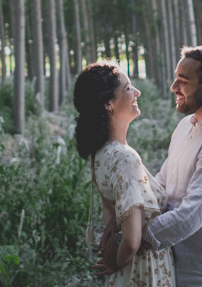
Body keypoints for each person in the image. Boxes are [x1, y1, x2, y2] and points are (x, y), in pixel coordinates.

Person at [99, 46, 202, 287]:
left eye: (183, 81)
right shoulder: (185, 127)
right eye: (176, 78)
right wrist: (125, 220)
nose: (173, 87)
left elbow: (189, 217)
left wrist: (129, 241)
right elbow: (160, 187)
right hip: (175, 270)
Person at [73, 62, 175, 287]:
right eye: (128, 87)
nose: (137, 92)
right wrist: (115, 263)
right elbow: (130, 240)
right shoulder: (124, 158)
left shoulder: (100, 153)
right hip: (144, 273)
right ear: (108, 103)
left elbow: (111, 224)